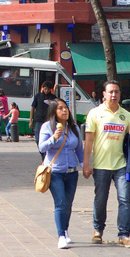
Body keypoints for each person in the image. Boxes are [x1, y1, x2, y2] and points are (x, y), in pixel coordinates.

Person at [83, 80, 130, 248]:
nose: (114, 95)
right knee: (100, 199)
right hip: (101, 165)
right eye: (111, 92)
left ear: (120, 94)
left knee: (125, 200)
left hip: (122, 165)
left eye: (116, 92)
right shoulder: (94, 113)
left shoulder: (126, 115)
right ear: (104, 94)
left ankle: (124, 235)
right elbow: (89, 141)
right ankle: (98, 230)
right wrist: (86, 164)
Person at [39, 99, 84, 249]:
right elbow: (42, 147)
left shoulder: (74, 128)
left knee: (68, 205)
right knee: (60, 203)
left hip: (71, 172)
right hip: (55, 172)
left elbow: (79, 149)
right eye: (60, 108)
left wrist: (84, 165)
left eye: (66, 108)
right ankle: (61, 236)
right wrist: (54, 138)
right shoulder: (47, 127)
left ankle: (65, 229)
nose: (65, 111)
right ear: (54, 112)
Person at [31, 81, 57, 158]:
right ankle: (43, 154)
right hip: (38, 120)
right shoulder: (38, 96)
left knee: (49, 139)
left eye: (48, 89)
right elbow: (32, 108)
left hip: (49, 121)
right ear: (42, 88)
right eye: (45, 89)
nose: (46, 91)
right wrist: (31, 120)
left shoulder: (53, 98)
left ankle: (46, 156)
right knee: (37, 139)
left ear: (50, 90)